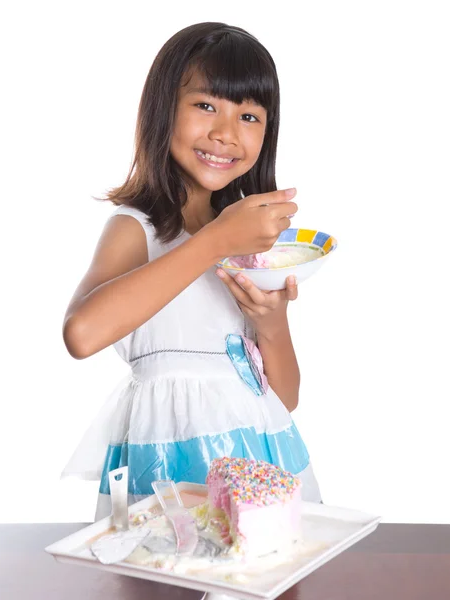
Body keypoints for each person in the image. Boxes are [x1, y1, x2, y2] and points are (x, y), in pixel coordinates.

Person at [62, 22, 322, 521]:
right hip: (171, 469)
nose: (225, 133)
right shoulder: (136, 229)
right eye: (206, 106)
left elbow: (283, 398)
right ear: (163, 110)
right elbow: (82, 333)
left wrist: (271, 323)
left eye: (249, 115)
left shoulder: (249, 245)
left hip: (262, 462)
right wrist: (214, 241)